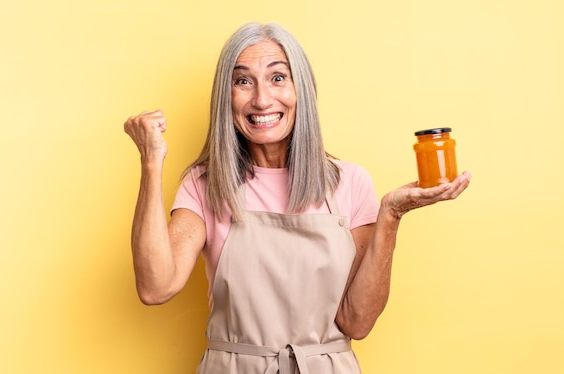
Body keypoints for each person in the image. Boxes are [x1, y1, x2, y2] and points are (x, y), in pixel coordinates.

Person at [123, 22, 471, 374]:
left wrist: (391, 215)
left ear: (300, 89)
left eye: (278, 78)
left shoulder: (349, 182)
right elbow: (156, 287)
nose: (261, 99)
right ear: (225, 97)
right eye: (243, 81)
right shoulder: (205, 185)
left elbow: (357, 322)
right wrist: (151, 162)